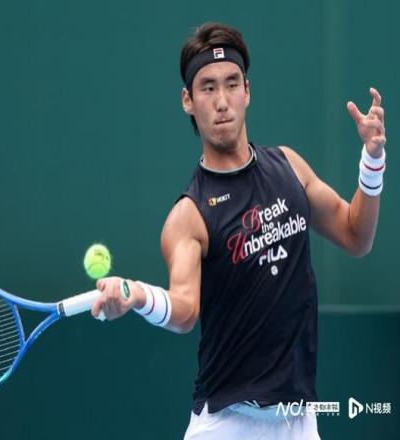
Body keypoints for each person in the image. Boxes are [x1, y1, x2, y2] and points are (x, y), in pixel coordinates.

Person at [91, 22, 386, 439]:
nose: (222, 101)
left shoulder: (290, 167)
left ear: (247, 91)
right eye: (208, 88)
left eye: (231, 84)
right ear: (188, 100)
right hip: (227, 424)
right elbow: (184, 309)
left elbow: (356, 236)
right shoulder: (188, 216)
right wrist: (138, 295)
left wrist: (372, 161)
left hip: (299, 421)